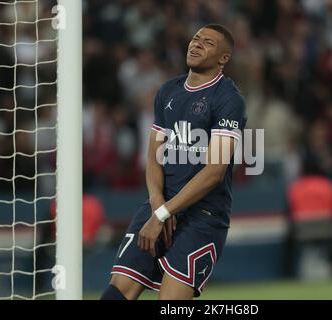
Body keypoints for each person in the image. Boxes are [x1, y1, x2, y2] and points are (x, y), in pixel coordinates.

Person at [101, 24, 247, 300]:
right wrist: (158, 206)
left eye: (208, 43)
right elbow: (153, 157)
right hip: (160, 205)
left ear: (223, 59)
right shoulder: (168, 91)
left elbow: (215, 171)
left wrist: (164, 214)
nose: (197, 44)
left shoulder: (228, 99)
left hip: (203, 216)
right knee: (115, 295)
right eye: (195, 38)